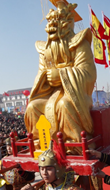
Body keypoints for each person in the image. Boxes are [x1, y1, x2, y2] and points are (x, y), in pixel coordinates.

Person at [24, 1, 97, 146]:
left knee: (64, 105)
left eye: (56, 22)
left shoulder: (80, 43)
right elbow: (40, 73)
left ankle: (74, 144)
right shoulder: (44, 50)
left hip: (76, 95)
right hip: (50, 94)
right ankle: (43, 142)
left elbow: (88, 72)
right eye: (50, 22)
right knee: (33, 107)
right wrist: (46, 77)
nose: (52, 25)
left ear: (68, 23)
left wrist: (62, 75)